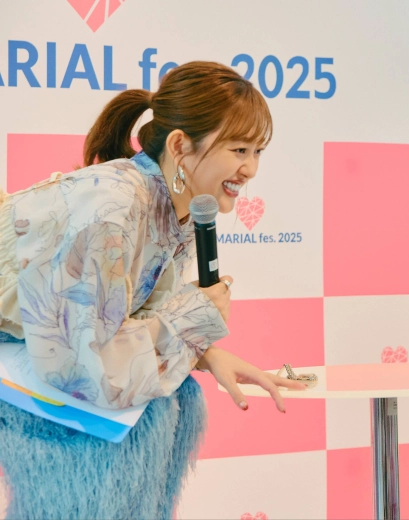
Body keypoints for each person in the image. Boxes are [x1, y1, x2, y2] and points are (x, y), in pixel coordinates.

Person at [0, 61, 304, 519]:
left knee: (180, 401)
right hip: (40, 359)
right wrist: (193, 317)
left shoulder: (178, 206)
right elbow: (84, 364)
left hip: (47, 348)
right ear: (181, 146)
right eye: (240, 149)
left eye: (258, 151)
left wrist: (208, 352)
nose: (251, 168)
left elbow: (132, 314)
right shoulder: (112, 205)